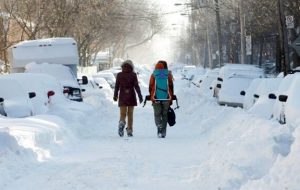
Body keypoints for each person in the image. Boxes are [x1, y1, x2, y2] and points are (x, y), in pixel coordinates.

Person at [113, 60, 143, 137]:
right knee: (130, 114)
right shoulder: (133, 75)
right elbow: (136, 86)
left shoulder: (119, 75)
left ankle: (122, 122)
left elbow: (116, 86)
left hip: (122, 96)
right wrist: (140, 96)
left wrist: (115, 95)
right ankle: (129, 130)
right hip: (131, 96)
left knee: (122, 113)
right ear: (131, 66)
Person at [149, 60, 174, 138]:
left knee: (157, 114)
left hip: (156, 98)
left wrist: (151, 96)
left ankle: (159, 126)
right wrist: (171, 98)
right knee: (164, 115)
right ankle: (163, 133)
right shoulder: (168, 74)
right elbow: (170, 85)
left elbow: (150, 85)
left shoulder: (153, 74)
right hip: (166, 98)